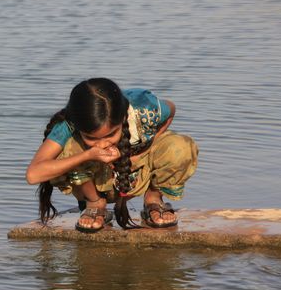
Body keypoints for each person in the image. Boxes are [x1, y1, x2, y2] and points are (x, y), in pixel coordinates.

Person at [26, 78, 198, 232]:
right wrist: (87, 155)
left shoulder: (144, 108)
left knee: (179, 146)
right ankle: (94, 203)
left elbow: (171, 109)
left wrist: (143, 150)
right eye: (91, 138)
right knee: (69, 149)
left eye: (111, 135)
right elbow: (34, 174)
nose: (103, 144)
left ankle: (153, 198)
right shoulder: (70, 123)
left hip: (136, 172)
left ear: (123, 118)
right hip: (97, 180)